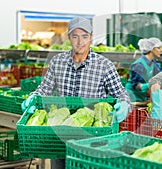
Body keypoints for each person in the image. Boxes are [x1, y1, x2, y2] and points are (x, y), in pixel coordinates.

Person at [21, 16, 131, 169]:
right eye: (75, 36)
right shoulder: (57, 62)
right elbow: (44, 89)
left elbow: (121, 94)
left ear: (91, 37)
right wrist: (33, 97)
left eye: (85, 36)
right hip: (60, 134)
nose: (80, 42)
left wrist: (124, 104)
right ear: (69, 37)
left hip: (90, 137)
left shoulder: (104, 65)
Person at [125, 37, 162, 102]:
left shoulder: (153, 63)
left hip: (141, 97)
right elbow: (136, 85)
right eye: (158, 48)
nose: (161, 50)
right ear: (151, 49)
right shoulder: (139, 65)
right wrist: (151, 85)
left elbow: (161, 74)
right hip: (131, 98)